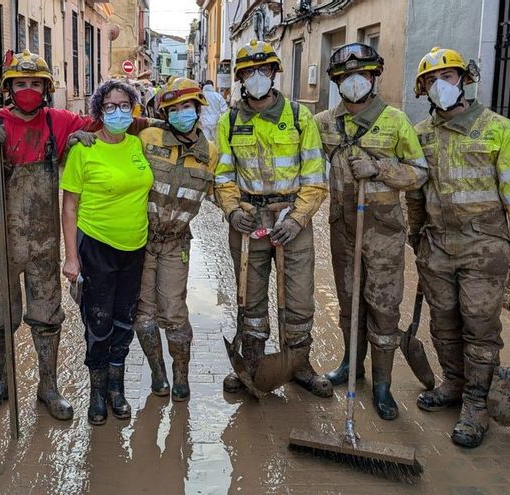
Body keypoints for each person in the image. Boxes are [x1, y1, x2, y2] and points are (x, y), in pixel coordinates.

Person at [0, 51, 155, 422]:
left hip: (44, 241)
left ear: (47, 89)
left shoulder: (58, 122)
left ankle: (47, 388)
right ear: (9, 88)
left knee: (47, 317)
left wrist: (155, 124)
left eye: (36, 84)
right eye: (21, 83)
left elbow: (110, 123)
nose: (29, 90)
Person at [407, 47, 510, 447]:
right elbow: (416, 194)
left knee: (480, 326)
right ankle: (453, 382)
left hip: (484, 247)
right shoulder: (420, 135)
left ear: (464, 80)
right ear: (423, 90)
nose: (439, 86)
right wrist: (416, 236)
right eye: (431, 81)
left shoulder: (497, 129)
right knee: (443, 322)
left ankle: (476, 404)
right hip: (436, 246)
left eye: (447, 78)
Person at [315, 43, 427, 420]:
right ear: (336, 81)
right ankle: (351, 364)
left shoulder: (395, 121)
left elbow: (419, 172)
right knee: (349, 301)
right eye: (345, 77)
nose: (354, 82)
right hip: (342, 227)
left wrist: (380, 171)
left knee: (383, 305)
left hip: (383, 232)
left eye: (361, 74)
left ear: (374, 77)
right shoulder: (325, 123)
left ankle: (382, 384)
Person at [215, 39, 331, 398]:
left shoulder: (299, 118)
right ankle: (251, 363)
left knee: (298, 299)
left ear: (274, 74)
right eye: (249, 72)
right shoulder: (229, 121)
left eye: (263, 70)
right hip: (249, 223)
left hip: (291, 221)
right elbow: (223, 176)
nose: (257, 77)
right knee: (248, 300)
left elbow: (314, 178)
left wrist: (297, 220)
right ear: (240, 79)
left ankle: (297, 365)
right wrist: (233, 211)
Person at [60, 79, 154, 425]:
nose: (117, 111)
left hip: (135, 248)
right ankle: (97, 394)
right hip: (97, 247)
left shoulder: (137, 144)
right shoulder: (84, 150)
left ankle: (117, 389)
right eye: (109, 106)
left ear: (134, 109)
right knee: (97, 324)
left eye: (124, 105)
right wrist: (71, 258)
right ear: (98, 111)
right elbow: (69, 207)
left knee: (123, 321)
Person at [134, 78, 218, 402]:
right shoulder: (148, 138)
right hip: (141, 239)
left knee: (173, 313)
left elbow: (221, 192)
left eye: (187, 107)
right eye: (174, 109)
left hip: (176, 243)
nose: (182, 113)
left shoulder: (209, 154)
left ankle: (181, 374)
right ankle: (158, 373)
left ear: (198, 109)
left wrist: (239, 212)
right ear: (165, 113)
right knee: (142, 314)